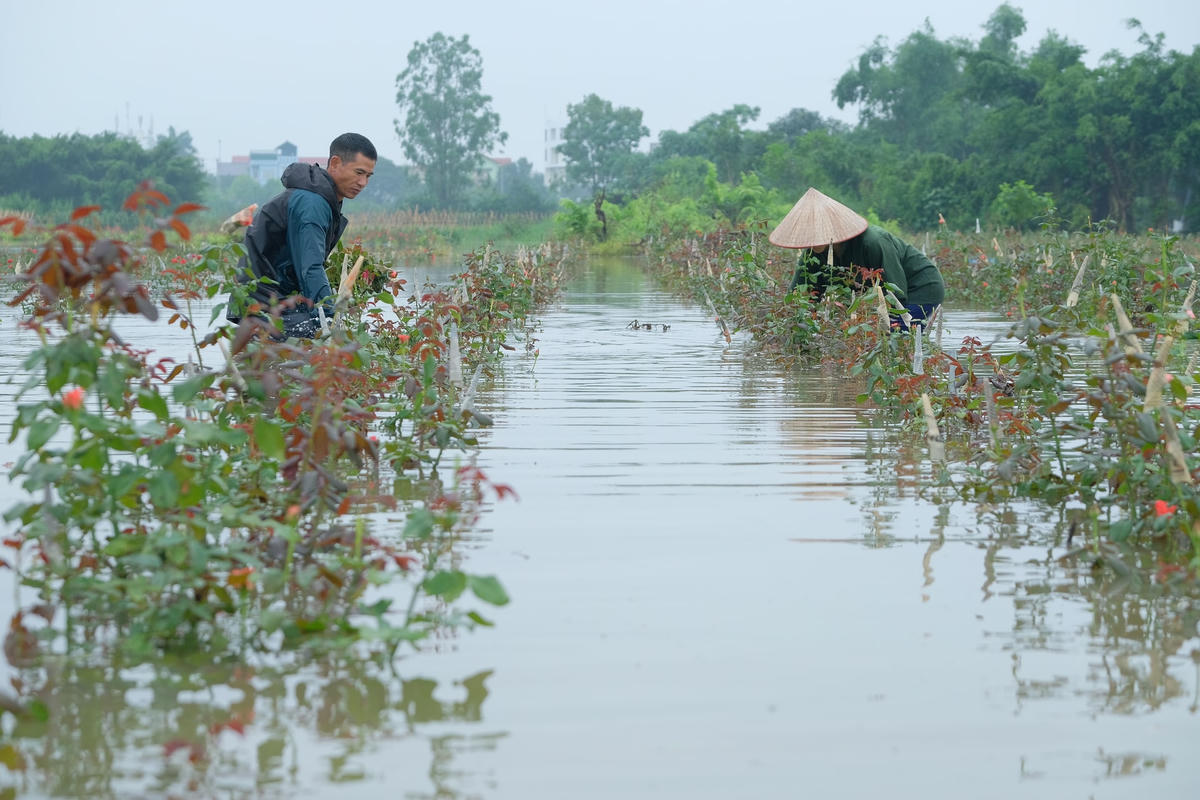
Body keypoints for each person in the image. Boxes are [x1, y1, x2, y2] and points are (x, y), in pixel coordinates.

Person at [227, 132, 377, 338]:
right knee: (324, 333)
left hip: (273, 299)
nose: (363, 183)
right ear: (335, 163)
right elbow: (311, 268)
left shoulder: (321, 198)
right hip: (262, 303)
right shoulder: (312, 204)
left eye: (368, 176)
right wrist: (330, 317)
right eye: (359, 173)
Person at [768, 187, 945, 328]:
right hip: (892, 294)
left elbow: (896, 291)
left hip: (920, 287)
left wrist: (892, 324)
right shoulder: (811, 255)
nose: (812, 241)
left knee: (898, 333)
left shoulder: (872, 242)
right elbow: (798, 296)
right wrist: (792, 325)